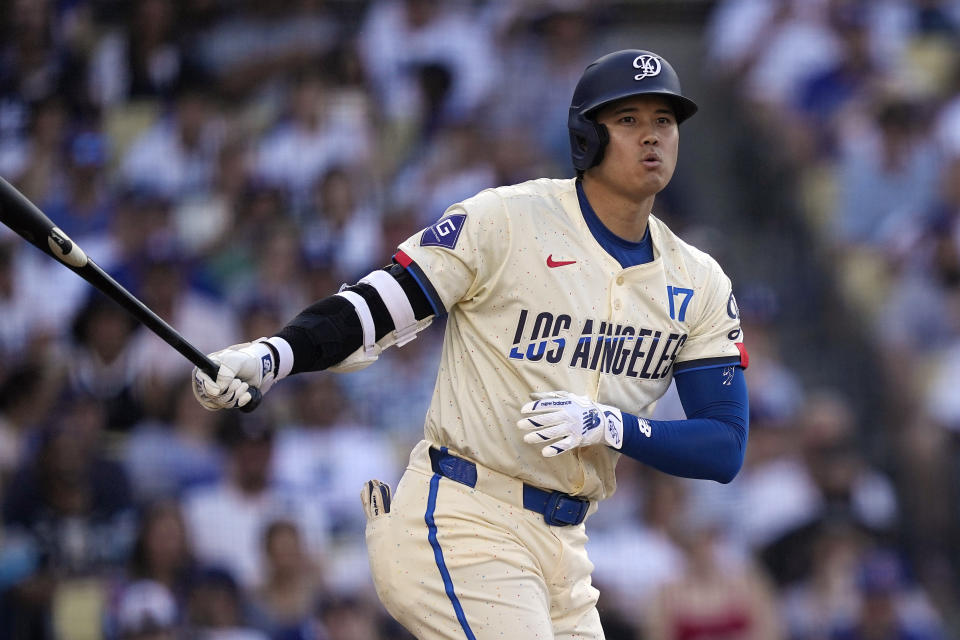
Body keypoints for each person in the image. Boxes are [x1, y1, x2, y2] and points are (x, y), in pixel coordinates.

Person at [193, 49, 750, 639]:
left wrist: (613, 427)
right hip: (463, 516)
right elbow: (377, 305)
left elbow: (724, 445)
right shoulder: (506, 220)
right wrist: (271, 356)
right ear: (587, 135)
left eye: (664, 120)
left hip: (566, 547)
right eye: (630, 120)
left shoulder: (698, 278)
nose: (652, 137)